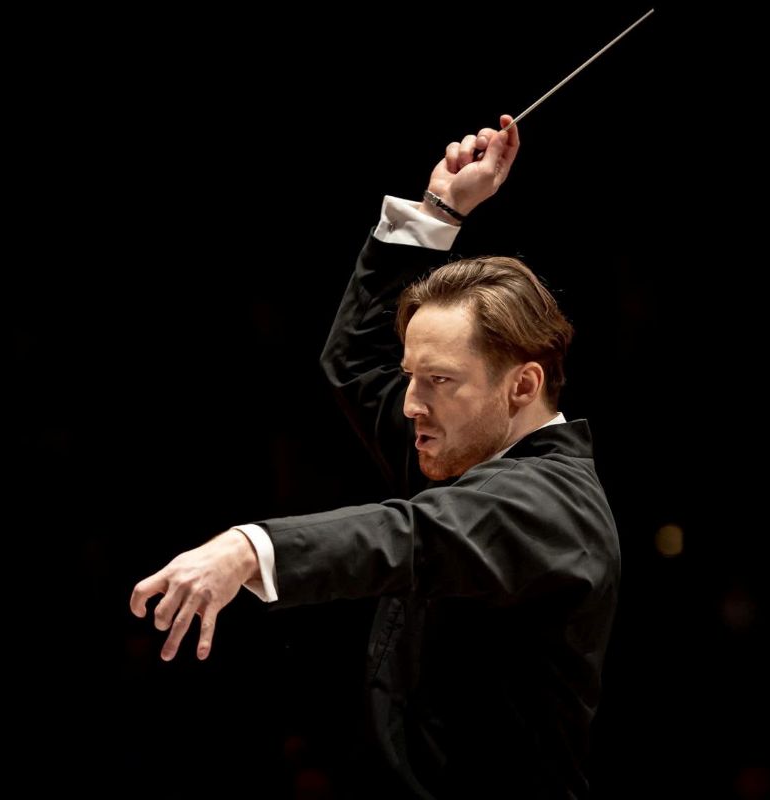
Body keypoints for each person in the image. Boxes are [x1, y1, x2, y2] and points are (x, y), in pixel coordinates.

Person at [131, 114, 620, 798]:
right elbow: (356, 362)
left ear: (522, 386)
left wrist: (247, 548)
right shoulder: (469, 437)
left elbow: (406, 535)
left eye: (438, 380)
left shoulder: (551, 506)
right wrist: (439, 212)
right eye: (411, 375)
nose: (411, 404)